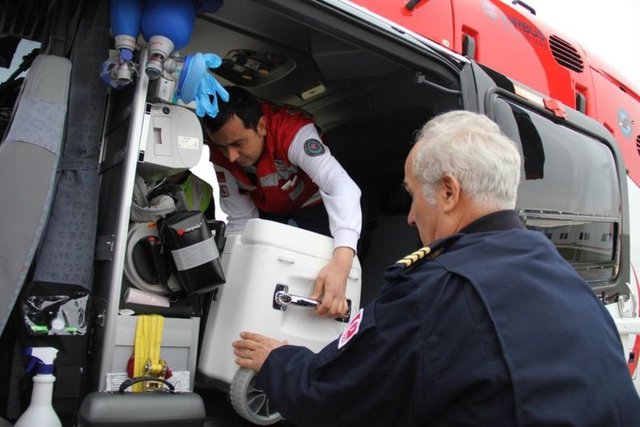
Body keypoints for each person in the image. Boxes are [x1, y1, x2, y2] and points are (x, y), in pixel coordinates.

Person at [232, 110, 640, 426]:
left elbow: (330, 394)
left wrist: (277, 360)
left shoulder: (435, 291)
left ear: (448, 192)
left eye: (412, 195)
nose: (410, 217)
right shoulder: (565, 277)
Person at [203, 86, 362, 318]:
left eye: (238, 143)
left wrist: (341, 265)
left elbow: (341, 186)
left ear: (261, 126)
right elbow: (240, 220)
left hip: (314, 206)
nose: (231, 156)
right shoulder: (222, 154)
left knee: (324, 276)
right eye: (222, 146)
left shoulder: (293, 132)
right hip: (268, 212)